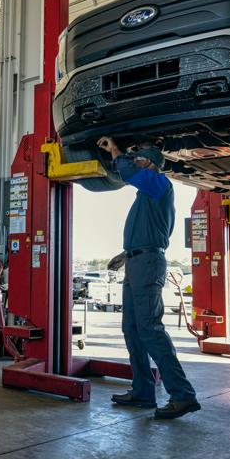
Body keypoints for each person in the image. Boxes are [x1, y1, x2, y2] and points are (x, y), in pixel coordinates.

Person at [97, 136, 200, 419]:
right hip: (136, 262)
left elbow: (128, 171)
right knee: (131, 329)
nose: (134, 163)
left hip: (147, 264)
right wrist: (125, 255)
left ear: (151, 164)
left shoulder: (160, 184)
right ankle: (143, 391)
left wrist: (117, 150)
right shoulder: (146, 196)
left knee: (150, 330)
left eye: (140, 158)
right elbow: (146, 233)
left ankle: (183, 395)